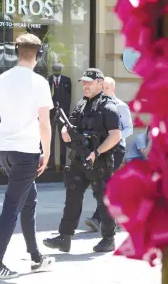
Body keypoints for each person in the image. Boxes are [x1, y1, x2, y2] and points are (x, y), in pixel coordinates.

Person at [0, 33, 55, 279]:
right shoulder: (39, 82)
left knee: (29, 200)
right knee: (12, 207)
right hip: (26, 151)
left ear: (17, 52)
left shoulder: (2, 79)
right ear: (39, 54)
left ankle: (36, 257)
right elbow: (45, 124)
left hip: (5, 150)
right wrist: (47, 153)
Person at [43, 68, 121, 253]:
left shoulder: (108, 106)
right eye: (84, 82)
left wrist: (97, 151)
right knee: (72, 196)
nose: (85, 85)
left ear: (100, 84)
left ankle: (108, 238)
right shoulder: (81, 104)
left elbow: (115, 135)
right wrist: (64, 132)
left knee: (103, 200)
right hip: (79, 159)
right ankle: (65, 237)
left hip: (100, 161)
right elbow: (70, 123)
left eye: (89, 82)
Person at [84, 76, 133, 232]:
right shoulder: (97, 105)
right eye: (102, 87)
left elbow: (129, 129)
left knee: (105, 184)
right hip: (102, 149)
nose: (103, 90)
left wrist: (115, 139)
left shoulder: (121, 106)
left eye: (106, 87)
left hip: (117, 149)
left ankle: (98, 219)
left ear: (113, 89)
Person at [48, 63, 71, 171]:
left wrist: (66, 114)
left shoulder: (67, 81)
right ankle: (51, 164)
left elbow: (68, 98)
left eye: (59, 69)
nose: (57, 71)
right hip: (50, 114)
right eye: (55, 69)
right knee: (50, 139)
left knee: (63, 139)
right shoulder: (48, 80)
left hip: (62, 114)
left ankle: (62, 164)